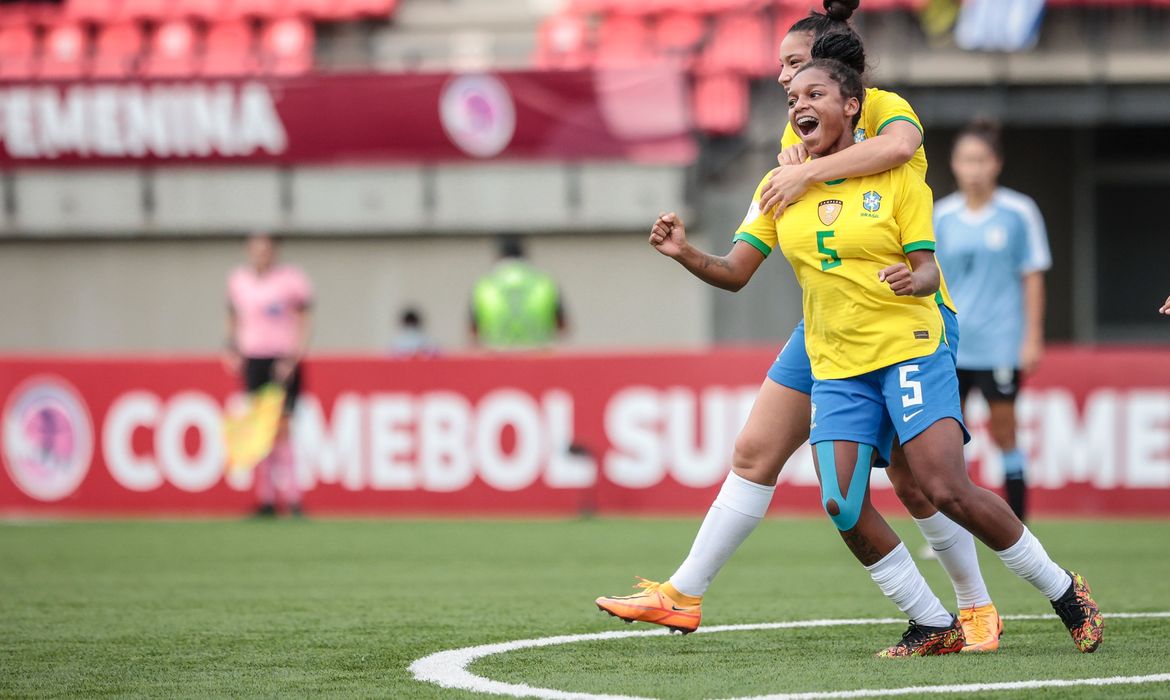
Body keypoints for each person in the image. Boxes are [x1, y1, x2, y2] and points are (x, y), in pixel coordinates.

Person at [597, 0, 1003, 654]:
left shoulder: (880, 108)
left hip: (904, 314)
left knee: (918, 481)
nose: (785, 80)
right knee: (756, 451)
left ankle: (975, 605)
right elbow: (739, 267)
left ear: (831, 62)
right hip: (826, 324)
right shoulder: (799, 138)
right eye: (783, 70)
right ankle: (684, 592)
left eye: (796, 65)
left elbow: (899, 148)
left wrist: (805, 169)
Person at [728, 59, 1099, 655]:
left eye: (808, 82)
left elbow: (928, 265)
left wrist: (916, 278)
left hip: (912, 346)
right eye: (789, 86)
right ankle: (934, 621)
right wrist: (681, 251)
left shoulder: (898, 161)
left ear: (853, 101)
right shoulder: (785, 176)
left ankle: (1061, 589)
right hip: (838, 360)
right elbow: (734, 268)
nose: (791, 90)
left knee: (943, 486)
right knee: (841, 502)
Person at [934, 118, 1051, 521]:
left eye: (981, 160)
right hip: (950, 344)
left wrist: (1032, 338)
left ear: (996, 164)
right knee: (946, 440)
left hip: (1000, 342)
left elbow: (1033, 276)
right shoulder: (940, 216)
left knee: (1004, 433)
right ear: (954, 165)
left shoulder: (1019, 212)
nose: (974, 168)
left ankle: (1019, 525)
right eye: (966, 160)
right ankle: (956, 530)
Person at [224, 232, 312, 518]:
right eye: (256, 249)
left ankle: (294, 498)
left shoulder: (290, 279)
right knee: (259, 429)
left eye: (266, 250)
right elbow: (233, 316)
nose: (261, 254)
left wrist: (295, 355)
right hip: (253, 358)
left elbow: (304, 318)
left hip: (281, 358)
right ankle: (267, 499)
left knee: (283, 427)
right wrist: (232, 347)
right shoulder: (239, 281)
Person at [470, 235, 566, 350]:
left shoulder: (485, 284)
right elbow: (562, 326)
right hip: (538, 356)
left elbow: (473, 331)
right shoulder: (545, 281)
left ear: (498, 256)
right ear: (525, 255)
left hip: (496, 357)